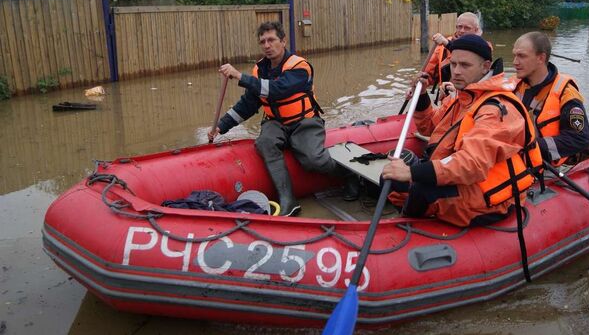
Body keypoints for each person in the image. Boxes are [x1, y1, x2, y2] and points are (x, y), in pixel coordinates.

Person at [382, 35, 542, 227]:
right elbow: (430, 128)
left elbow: (471, 163)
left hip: (490, 194)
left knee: (421, 189)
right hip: (464, 178)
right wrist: (423, 96)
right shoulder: (462, 97)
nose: (456, 72)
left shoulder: (495, 109)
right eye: (453, 64)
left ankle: (408, 229)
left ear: (485, 67)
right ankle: (411, 219)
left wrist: (413, 173)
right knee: (391, 175)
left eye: (465, 65)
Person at [209, 21, 358, 216]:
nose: (266, 45)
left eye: (271, 40)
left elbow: (277, 90)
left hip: (304, 122)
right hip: (275, 122)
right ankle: (288, 199)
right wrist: (221, 126)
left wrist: (239, 76)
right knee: (264, 142)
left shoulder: (300, 67)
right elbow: (248, 104)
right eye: (262, 41)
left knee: (313, 159)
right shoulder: (260, 70)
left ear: (283, 41)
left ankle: (349, 175)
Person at [512, 31, 589, 166]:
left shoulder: (566, 93)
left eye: (522, 56)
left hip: (546, 166)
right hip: (516, 159)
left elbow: (580, 138)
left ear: (541, 58)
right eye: (515, 55)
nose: (515, 62)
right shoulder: (514, 86)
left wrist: (533, 147)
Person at [412, 12, 485, 94]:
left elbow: (466, 49)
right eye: (459, 27)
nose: (462, 31)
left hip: (471, 97)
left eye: (467, 28)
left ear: (476, 30)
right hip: (446, 98)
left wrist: (448, 44)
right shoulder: (441, 48)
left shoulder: (484, 48)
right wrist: (417, 86)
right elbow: (428, 75)